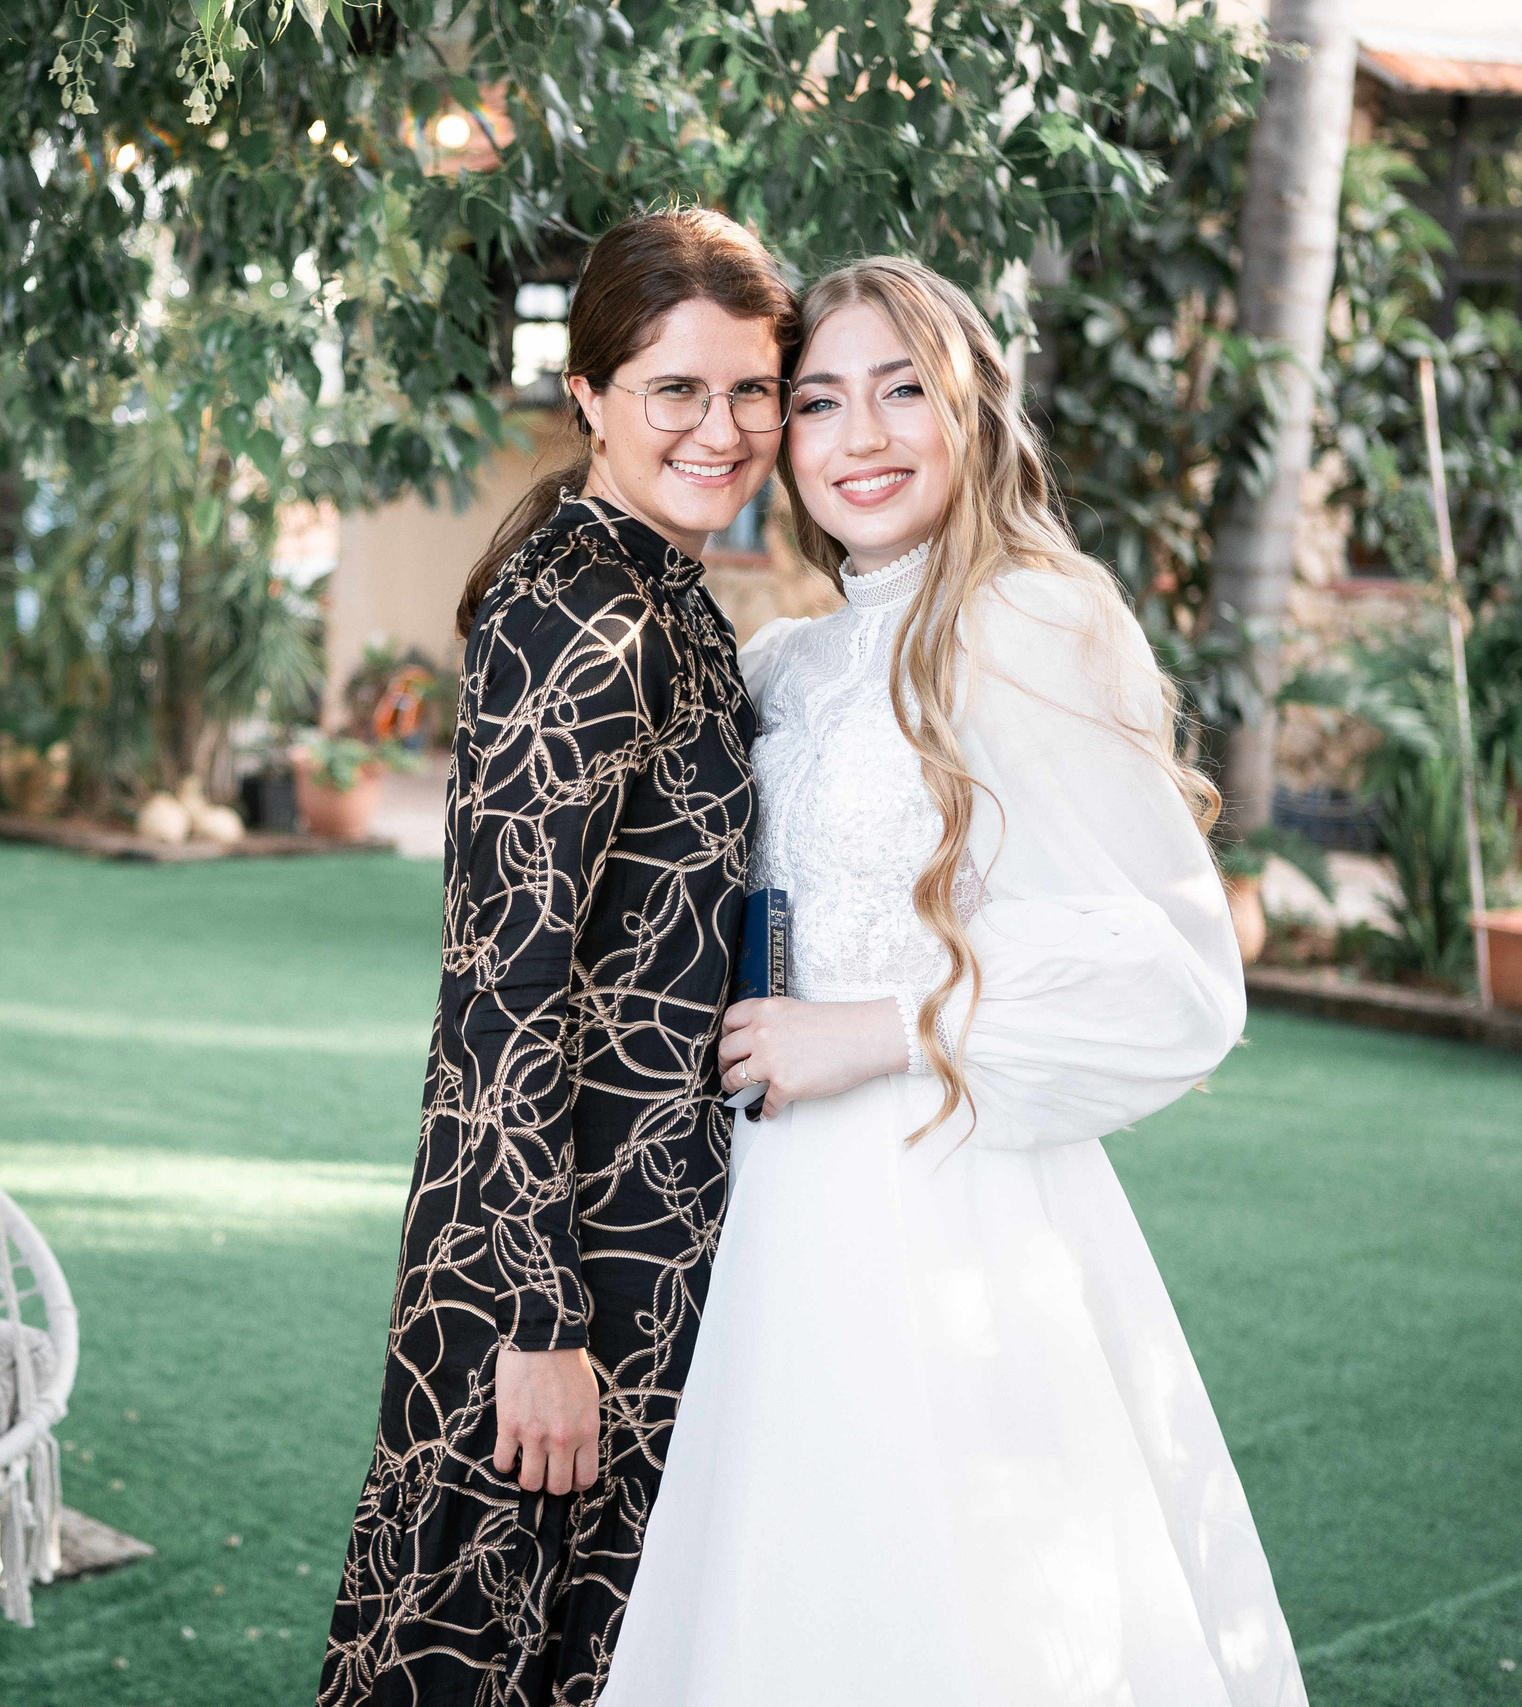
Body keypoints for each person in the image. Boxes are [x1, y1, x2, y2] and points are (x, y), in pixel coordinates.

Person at [599, 256, 1308, 1706]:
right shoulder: (795, 662)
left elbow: (1177, 974)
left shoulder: (1035, 620)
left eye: (902, 390)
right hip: (781, 1223)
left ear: (971, 409)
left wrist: (874, 1032)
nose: (861, 436)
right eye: (819, 400)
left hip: (951, 1200)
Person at [321, 208, 798, 1707]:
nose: (720, 431)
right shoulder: (579, 613)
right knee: (471, 1664)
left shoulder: (669, 593)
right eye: (676, 391)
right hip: (552, 1267)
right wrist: (535, 1323)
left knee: (587, 1663)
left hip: (649, 1236)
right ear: (588, 394)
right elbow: (498, 994)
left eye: (751, 392)